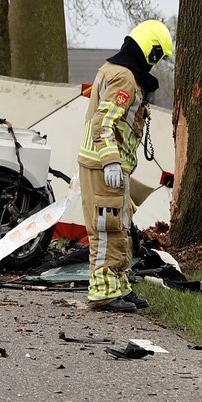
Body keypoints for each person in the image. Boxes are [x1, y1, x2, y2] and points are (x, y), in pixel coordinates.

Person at [78, 20, 174, 314]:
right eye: (157, 57)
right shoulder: (124, 78)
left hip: (111, 166)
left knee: (119, 227)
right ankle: (104, 292)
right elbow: (103, 123)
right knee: (107, 229)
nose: (155, 64)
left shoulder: (116, 70)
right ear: (150, 50)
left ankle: (117, 286)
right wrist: (110, 161)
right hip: (105, 165)